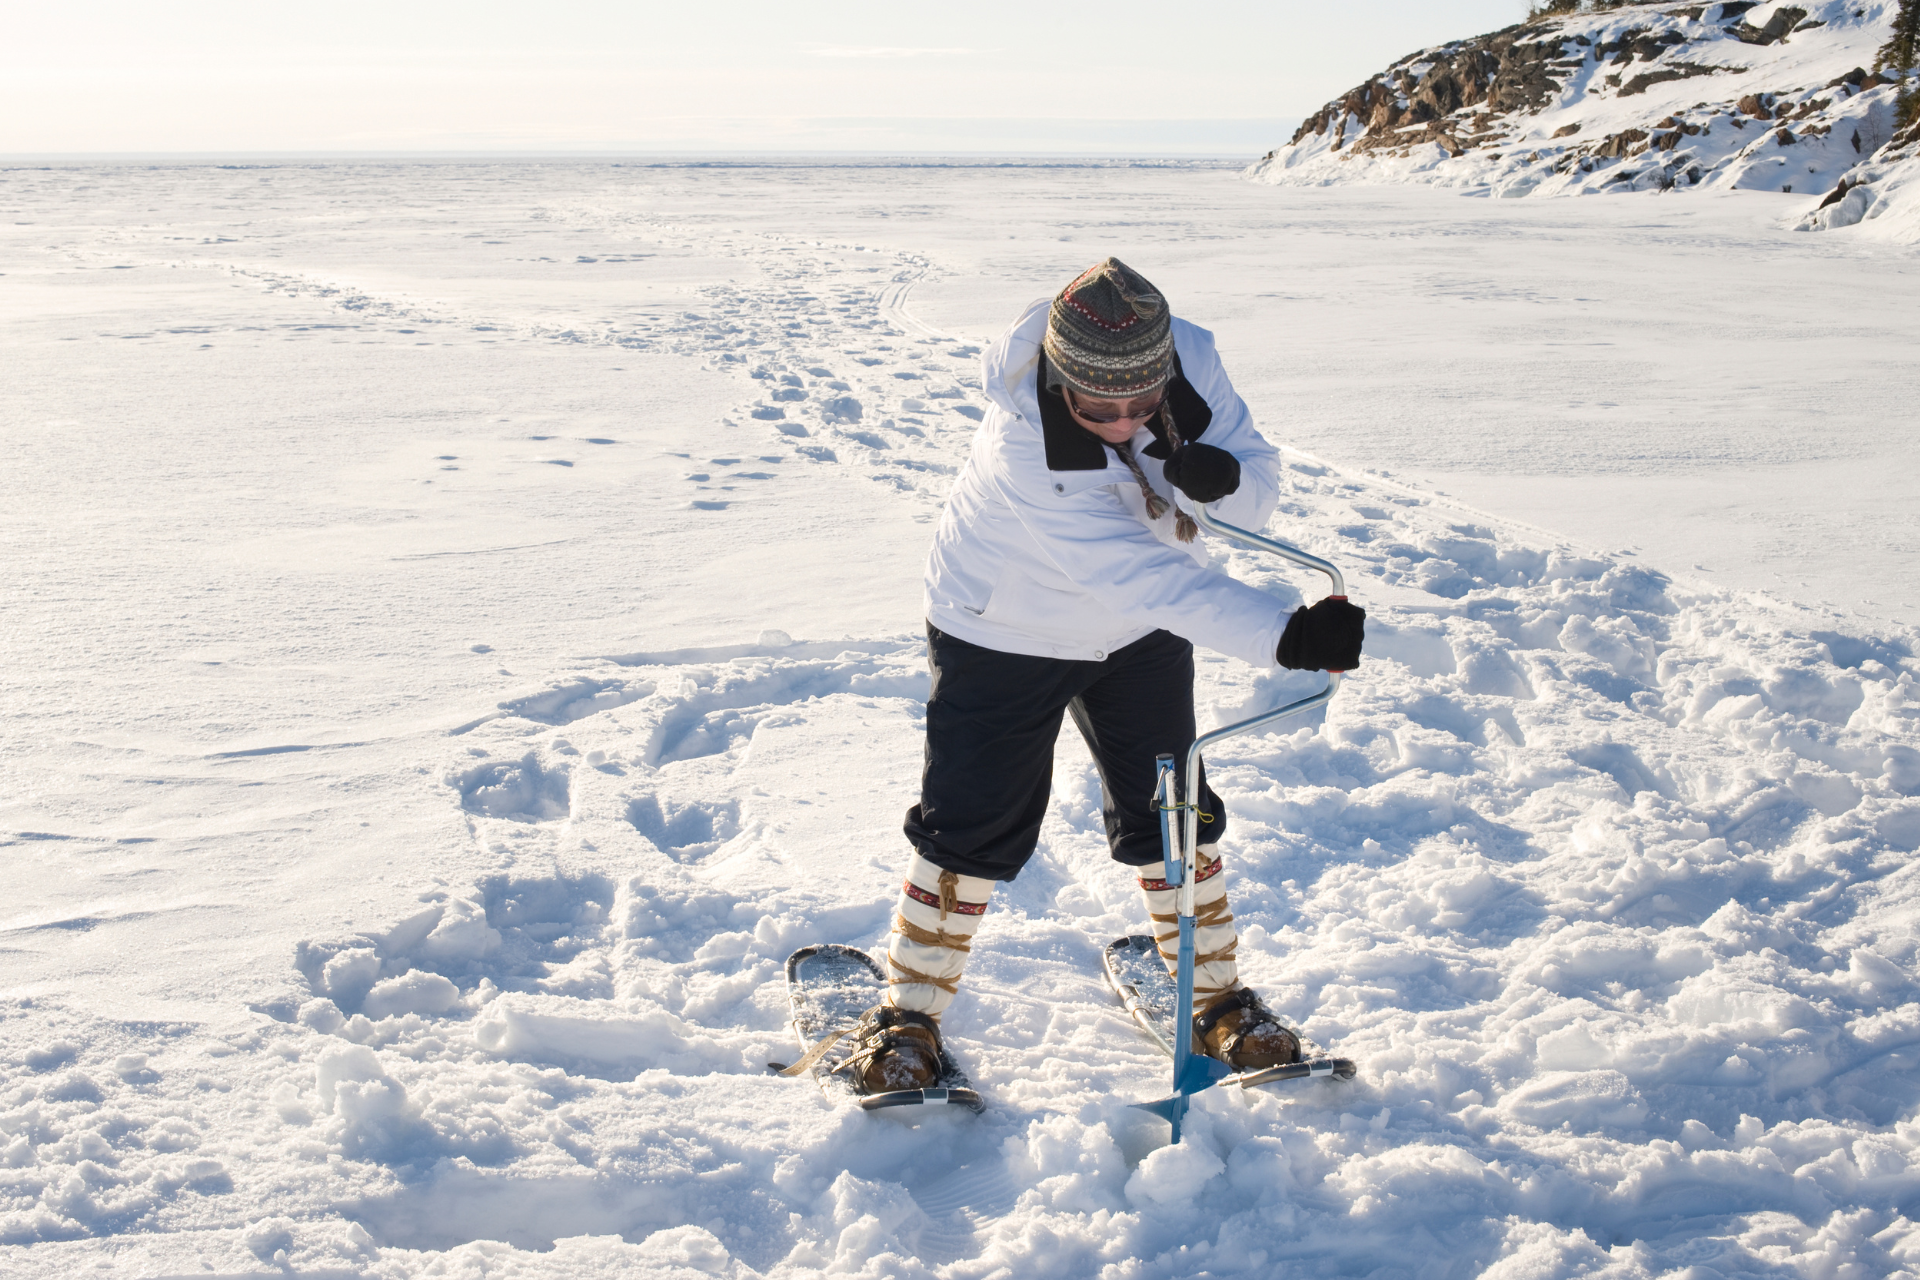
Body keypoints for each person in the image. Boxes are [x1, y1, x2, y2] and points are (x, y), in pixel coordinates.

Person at [837, 259, 1364, 1093]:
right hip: (1004, 624)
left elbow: (1253, 482)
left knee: (1176, 809)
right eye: (1098, 410)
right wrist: (1286, 636)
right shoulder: (1023, 439)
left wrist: (1219, 480)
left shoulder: (1190, 355)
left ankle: (1220, 1001)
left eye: (1141, 407)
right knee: (972, 822)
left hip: (1139, 631)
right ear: (1061, 381)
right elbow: (1140, 574)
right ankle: (908, 1015)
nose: (1122, 425)